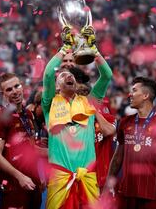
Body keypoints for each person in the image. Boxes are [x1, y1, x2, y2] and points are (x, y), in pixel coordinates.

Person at [42, 25, 112, 208]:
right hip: (59, 178)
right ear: (56, 86)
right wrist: (64, 47)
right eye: (63, 74)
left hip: (87, 176)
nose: (68, 75)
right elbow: (48, 73)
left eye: (70, 74)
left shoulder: (89, 102)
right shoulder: (49, 104)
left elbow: (106, 76)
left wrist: (94, 51)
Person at [105, 77, 156, 209]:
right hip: (126, 191)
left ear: (145, 95)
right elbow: (117, 158)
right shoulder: (125, 122)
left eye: (134, 90)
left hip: (153, 192)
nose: (129, 94)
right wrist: (107, 186)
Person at [0, 72, 44, 209]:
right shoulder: (0, 120)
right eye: (9, 89)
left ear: (22, 86)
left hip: (33, 183)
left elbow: (32, 149)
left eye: (16, 86)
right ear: (3, 94)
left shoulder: (28, 114)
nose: (14, 91)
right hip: (14, 186)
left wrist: (40, 175)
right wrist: (20, 177)